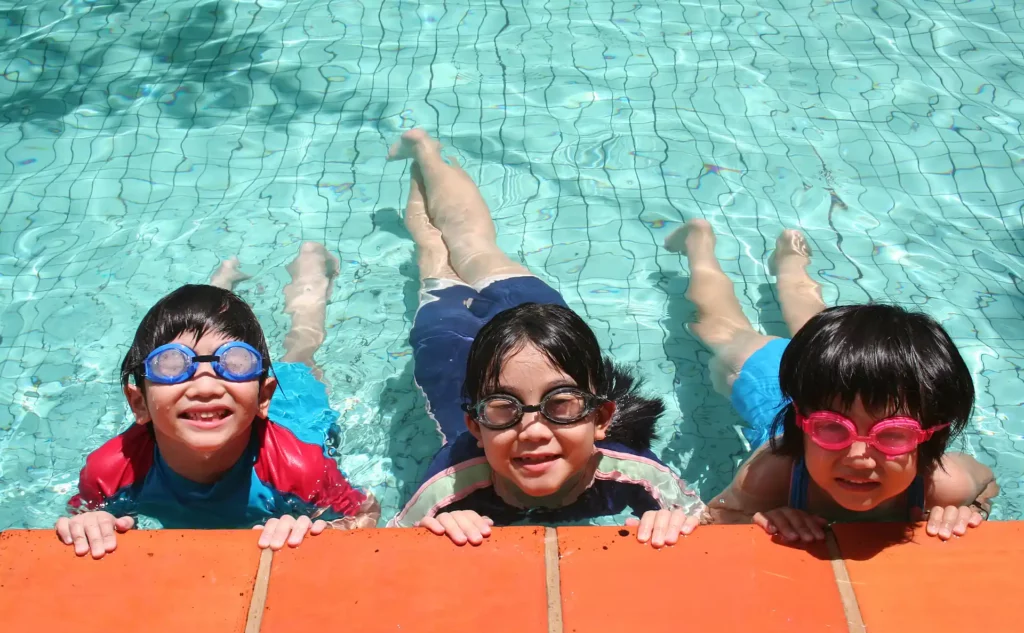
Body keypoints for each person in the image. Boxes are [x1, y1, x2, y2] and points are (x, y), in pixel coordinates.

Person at [385, 130, 704, 547]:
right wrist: (437, 524)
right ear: (475, 428)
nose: (533, 431)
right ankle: (423, 153)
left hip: (537, 328)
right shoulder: (451, 486)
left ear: (602, 418)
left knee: (466, 245)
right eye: (503, 410)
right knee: (434, 248)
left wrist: (678, 523)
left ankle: (424, 153)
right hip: (451, 346)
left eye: (562, 404)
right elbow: (391, 543)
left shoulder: (634, 474)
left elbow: (707, 522)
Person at [665, 218, 998, 542]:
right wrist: (760, 518)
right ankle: (700, 243)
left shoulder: (943, 484)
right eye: (834, 428)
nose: (858, 456)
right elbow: (718, 517)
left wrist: (970, 511)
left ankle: (791, 263)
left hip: (832, 394)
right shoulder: (772, 473)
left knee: (818, 327)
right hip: (767, 378)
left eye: (893, 434)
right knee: (721, 327)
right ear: (801, 422)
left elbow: (986, 485)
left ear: (930, 437)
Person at [55, 244, 379, 558]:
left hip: (297, 408)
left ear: (264, 397)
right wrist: (90, 523)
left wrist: (319, 532)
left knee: (301, 350)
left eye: (235, 361)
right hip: (239, 399)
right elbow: (81, 514)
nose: (205, 386)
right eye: (172, 364)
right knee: (204, 327)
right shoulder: (111, 470)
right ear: (139, 403)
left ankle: (309, 276)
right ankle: (221, 291)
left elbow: (364, 512)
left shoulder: (300, 468)